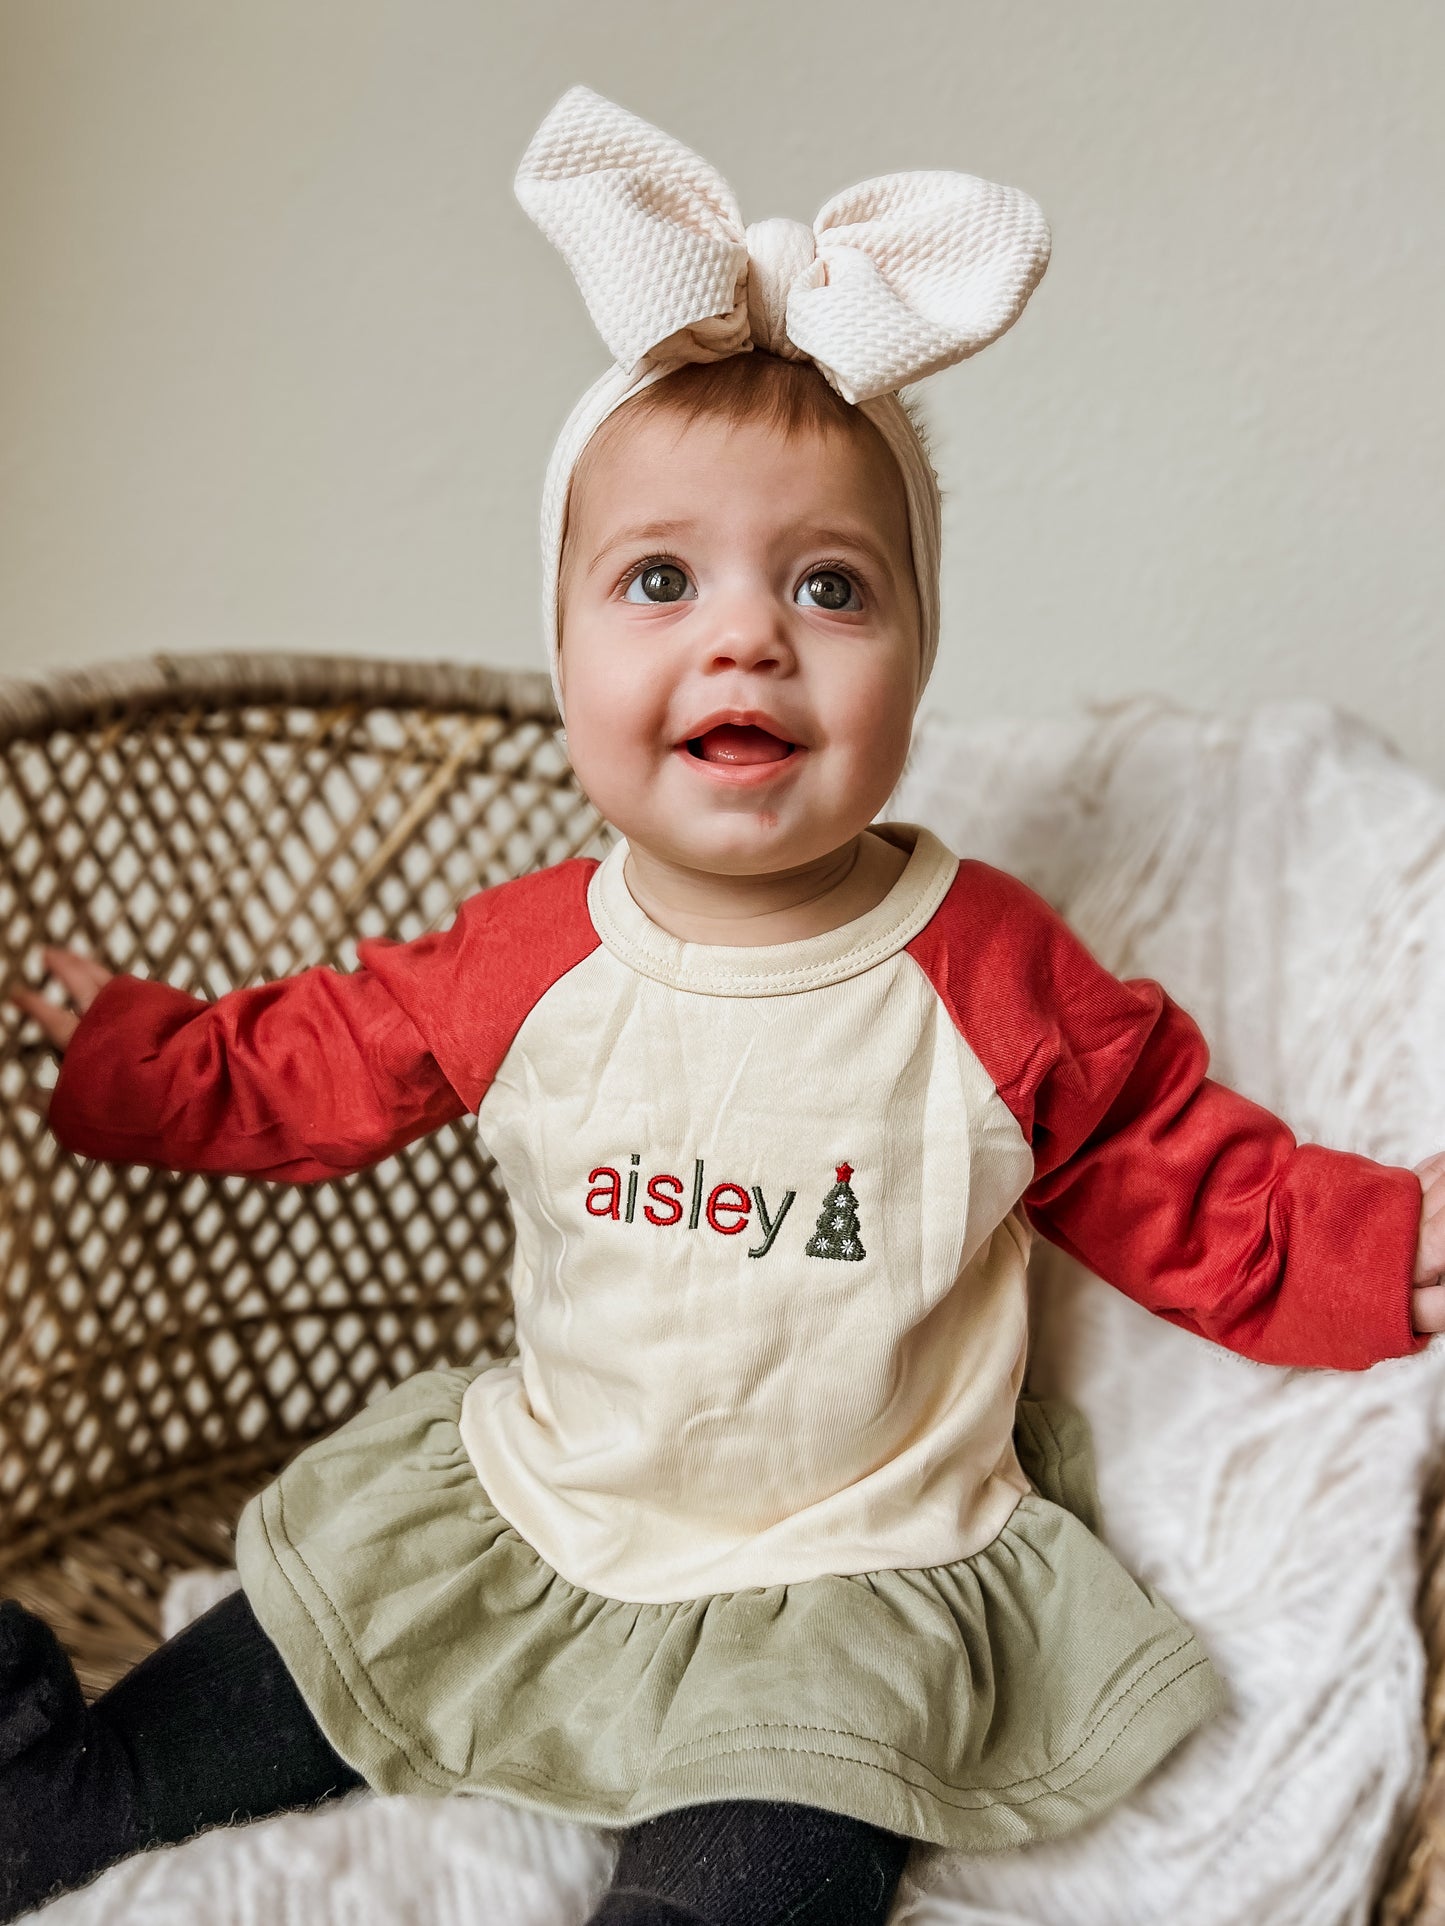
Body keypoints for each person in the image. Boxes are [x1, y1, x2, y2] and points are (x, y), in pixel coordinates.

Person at [4, 85, 1444, 1926]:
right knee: (91, 1803)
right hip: (527, 1520)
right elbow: (313, 1062)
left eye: (829, 585)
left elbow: (1188, 1178)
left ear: (919, 659)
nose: (744, 635)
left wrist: (1383, 1246)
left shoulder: (985, 970)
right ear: (570, 648)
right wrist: (132, 1052)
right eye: (660, 579)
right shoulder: (530, 950)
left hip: (836, 1594)